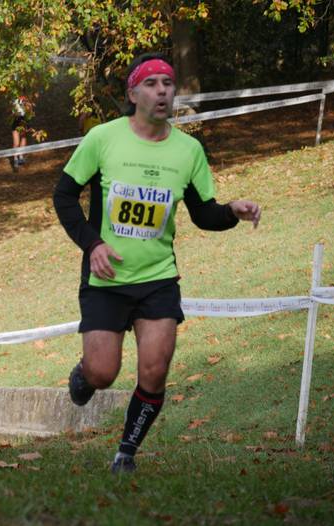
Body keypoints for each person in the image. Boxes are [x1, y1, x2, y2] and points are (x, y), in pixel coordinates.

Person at [53, 53, 261, 474]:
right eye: (151, 83)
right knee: (103, 372)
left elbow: (203, 214)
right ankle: (85, 375)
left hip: (158, 278)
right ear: (133, 94)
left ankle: (126, 453)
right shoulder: (102, 139)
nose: (162, 90)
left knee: (154, 371)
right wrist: (92, 244)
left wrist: (231, 211)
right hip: (107, 277)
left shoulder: (188, 150)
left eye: (168, 82)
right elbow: (64, 196)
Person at [11, 96, 31, 169]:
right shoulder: (14, 99)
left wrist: (27, 106)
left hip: (24, 121)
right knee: (16, 142)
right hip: (16, 121)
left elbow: (29, 110)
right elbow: (13, 111)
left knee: (23, 138)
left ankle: (21, 156)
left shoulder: (26, 98)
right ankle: (15, 159)